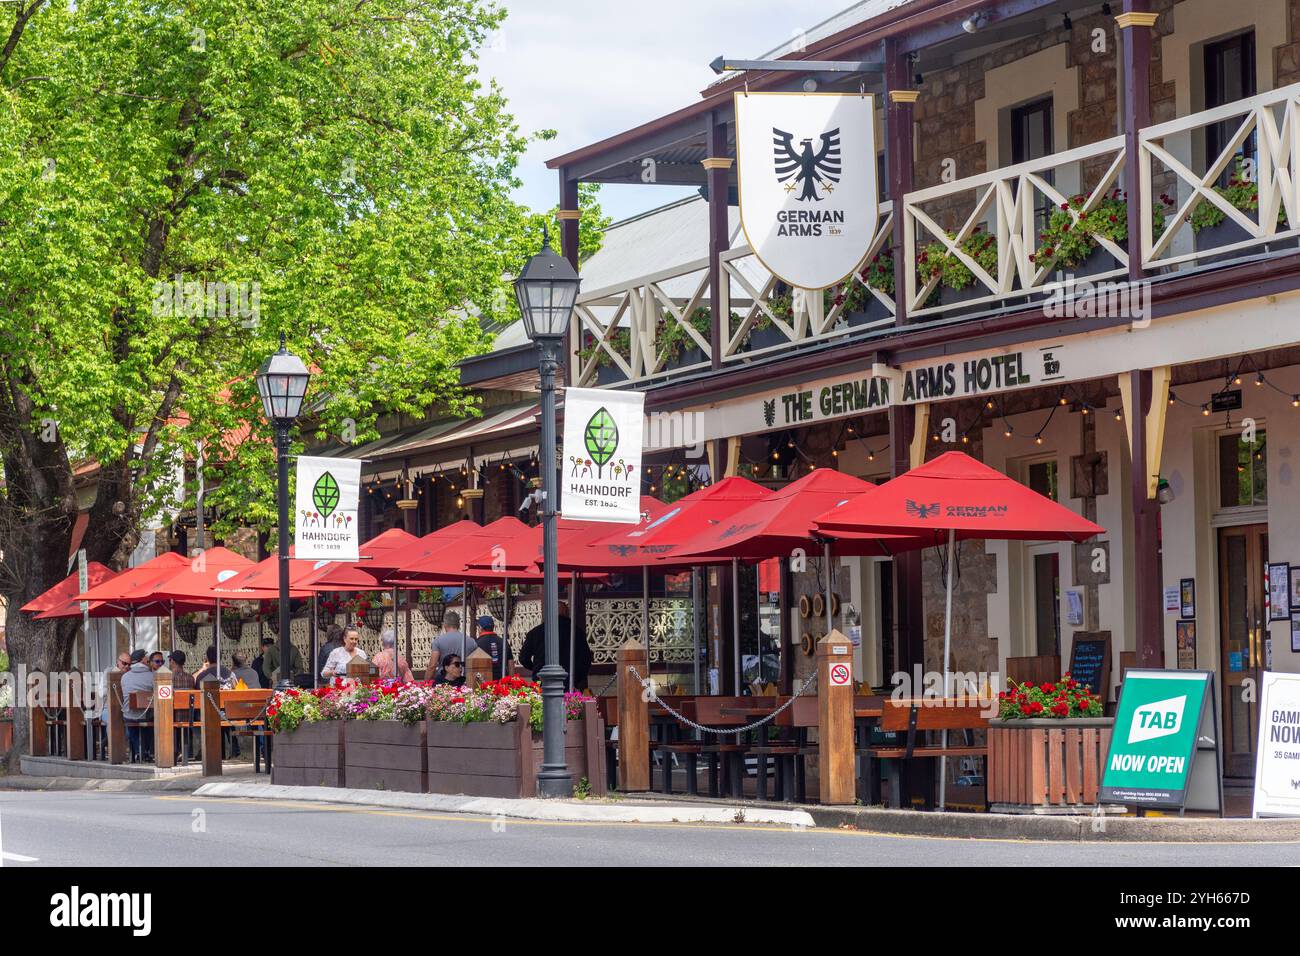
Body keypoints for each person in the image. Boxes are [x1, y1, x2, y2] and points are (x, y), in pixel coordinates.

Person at [519, 602, 592, 690]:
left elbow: (523, 658)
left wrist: (536, 668)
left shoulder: (535, 632)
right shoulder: (576, 632)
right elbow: (586, 659)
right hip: (569, 681)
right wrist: (577, 678)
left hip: (542, 680)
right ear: (566, 613)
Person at [120, 649, 156, 761]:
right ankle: (147, 751)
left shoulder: (124, 677)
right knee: (152, 719)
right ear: (142, 660)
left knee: (131, 722)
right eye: (146, 658)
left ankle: (137, 751)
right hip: (146, 715)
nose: (148, 659)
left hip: (128, 715)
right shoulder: (153, 676)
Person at [474, 615, 512, 681]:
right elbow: (510, 664)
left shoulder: (476, 643)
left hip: (485, 683)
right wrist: (511, 681)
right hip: (503, 682)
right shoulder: (503, 642)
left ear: (480, 628)